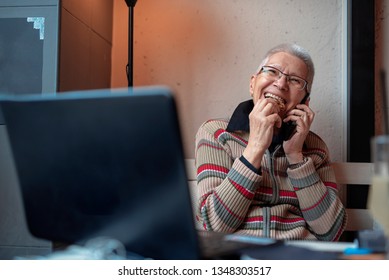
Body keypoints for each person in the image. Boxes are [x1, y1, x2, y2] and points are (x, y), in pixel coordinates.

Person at [194, 43, 347, 241]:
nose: (281, 83)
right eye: (272, 71)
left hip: (299, 256)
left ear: (305, 101)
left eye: (294, 80)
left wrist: (296, 157)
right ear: (252, 83)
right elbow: (214, 225)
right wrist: (255, 148)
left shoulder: (314, 147)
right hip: (240, 255)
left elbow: (331, 233)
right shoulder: (216, 133)